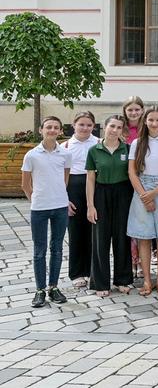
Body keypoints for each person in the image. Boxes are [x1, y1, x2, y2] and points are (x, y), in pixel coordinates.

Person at [127, 106, 158, 295]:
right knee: (144, 235)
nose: (154, 123)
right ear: (145, 121)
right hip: (142, 186)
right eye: (151, 120)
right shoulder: (138, 142)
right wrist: (144, 195)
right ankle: (147, 280)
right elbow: (132, 171)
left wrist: (155, 192)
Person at [22, 116, 72, 307]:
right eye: (48, 127)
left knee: (57, 249)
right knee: (39, 251)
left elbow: (65, 179)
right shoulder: (32, 155)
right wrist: (36, 200)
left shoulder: (65, 154)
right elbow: (26, 185)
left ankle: (53, 287)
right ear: (41, 129)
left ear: (60, 131)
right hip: (39, 209)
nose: (52, 130)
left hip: (60, 207)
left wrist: (60, 197)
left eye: (56, 127)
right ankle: (40, 289)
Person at [86, 115, 133, 297]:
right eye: (112, 126)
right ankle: (100, 282)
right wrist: (91, 205)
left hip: (123, 194)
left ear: (123, 131)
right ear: (104, 127)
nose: (115, 130)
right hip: (101, 193)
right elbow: (90, 178)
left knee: (122, 237)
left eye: (119, 127)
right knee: (100, 239)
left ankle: (123, 279)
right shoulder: (94, 150)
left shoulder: (127, 149)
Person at [64, 112, 98, 289]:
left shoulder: (99, 143)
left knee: (94, 233)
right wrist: (65, 199)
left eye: (89, 125)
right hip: (74, 190)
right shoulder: (65, 146)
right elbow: (60, 175)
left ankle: (93, 270)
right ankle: (77, 272)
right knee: (76, 232)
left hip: (95, 189)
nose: (85, 128)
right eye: (81, 124)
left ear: (94, 126)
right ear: (74, 125)